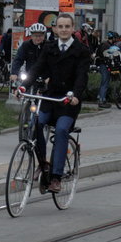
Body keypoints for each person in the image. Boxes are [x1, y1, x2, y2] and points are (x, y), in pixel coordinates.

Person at [18, 13, 90, 194]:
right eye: (61, 26)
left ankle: (56, 176)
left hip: (68, 101)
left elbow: (82, 76)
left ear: (73, 28)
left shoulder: (81, 50)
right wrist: (23, 86)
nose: (64, 30)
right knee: (36, 124)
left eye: (67, 26)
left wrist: (76, 95)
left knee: (61, 130)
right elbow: (37, 68)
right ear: (55, 29)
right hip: (50, 98)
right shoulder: (49, 48)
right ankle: (43, 164)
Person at [95, 31, 119, 108]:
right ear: (113, 38)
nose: (116, 40)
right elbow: (106, 56)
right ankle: (102, 100)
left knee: (105, 81)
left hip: (105, 65)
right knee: (104, 82)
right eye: (116, 38)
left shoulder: (108, 44)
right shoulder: (106, 45)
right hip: (104, 65)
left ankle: (100, 97)